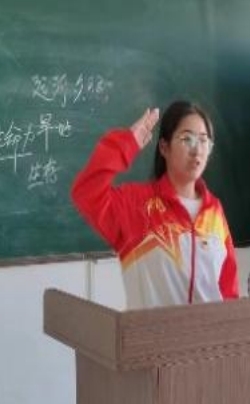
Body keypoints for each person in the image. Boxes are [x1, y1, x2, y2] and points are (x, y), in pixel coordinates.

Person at [71, 100, 239, 309]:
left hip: (209, 331)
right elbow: (86, 191)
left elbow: (229, 290)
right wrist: (127, 144)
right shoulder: (137, 205)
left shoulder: (214, 211)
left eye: (204, 141)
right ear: (164, 147)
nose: (197, 150)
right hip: (151, 331)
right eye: (186, 139)